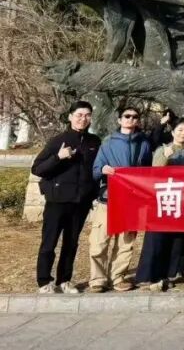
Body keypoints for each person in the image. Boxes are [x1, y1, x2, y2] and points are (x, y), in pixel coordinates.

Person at [32, 100, 101, 294]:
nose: (83, 119)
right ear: (70, 117)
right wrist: (58, 157)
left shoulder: (94, 142)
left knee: (71, 243)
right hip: (57, 200)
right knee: (49, 242)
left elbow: (95, 170)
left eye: (87, 115)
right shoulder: (58, 141)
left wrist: (93, 193)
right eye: (79, 115)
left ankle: (65, 280)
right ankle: (44, 281)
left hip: (80, 202)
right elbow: (37, 169)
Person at [89, 105, 152, 293]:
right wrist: (103, 169)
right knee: (99, 241)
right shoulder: (108, 143)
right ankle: (97, 279)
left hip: (131, 200)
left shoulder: (144, 144)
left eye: (135, 116)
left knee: (126, 243)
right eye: (127, 116)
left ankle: (118, 277)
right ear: (119, 120)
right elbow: (96, 169)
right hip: (109, 199)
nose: (131, 119)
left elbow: (147, 171)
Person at [135, 118, 184, 290]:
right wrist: (166, 156)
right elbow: (155, 172)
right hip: (162, 199)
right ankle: (147, 276)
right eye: (180, 130)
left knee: (175, 240)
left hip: (182, 200)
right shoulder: (162, 149)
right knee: (156, 239)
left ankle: (168, 274)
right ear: (172, 132)